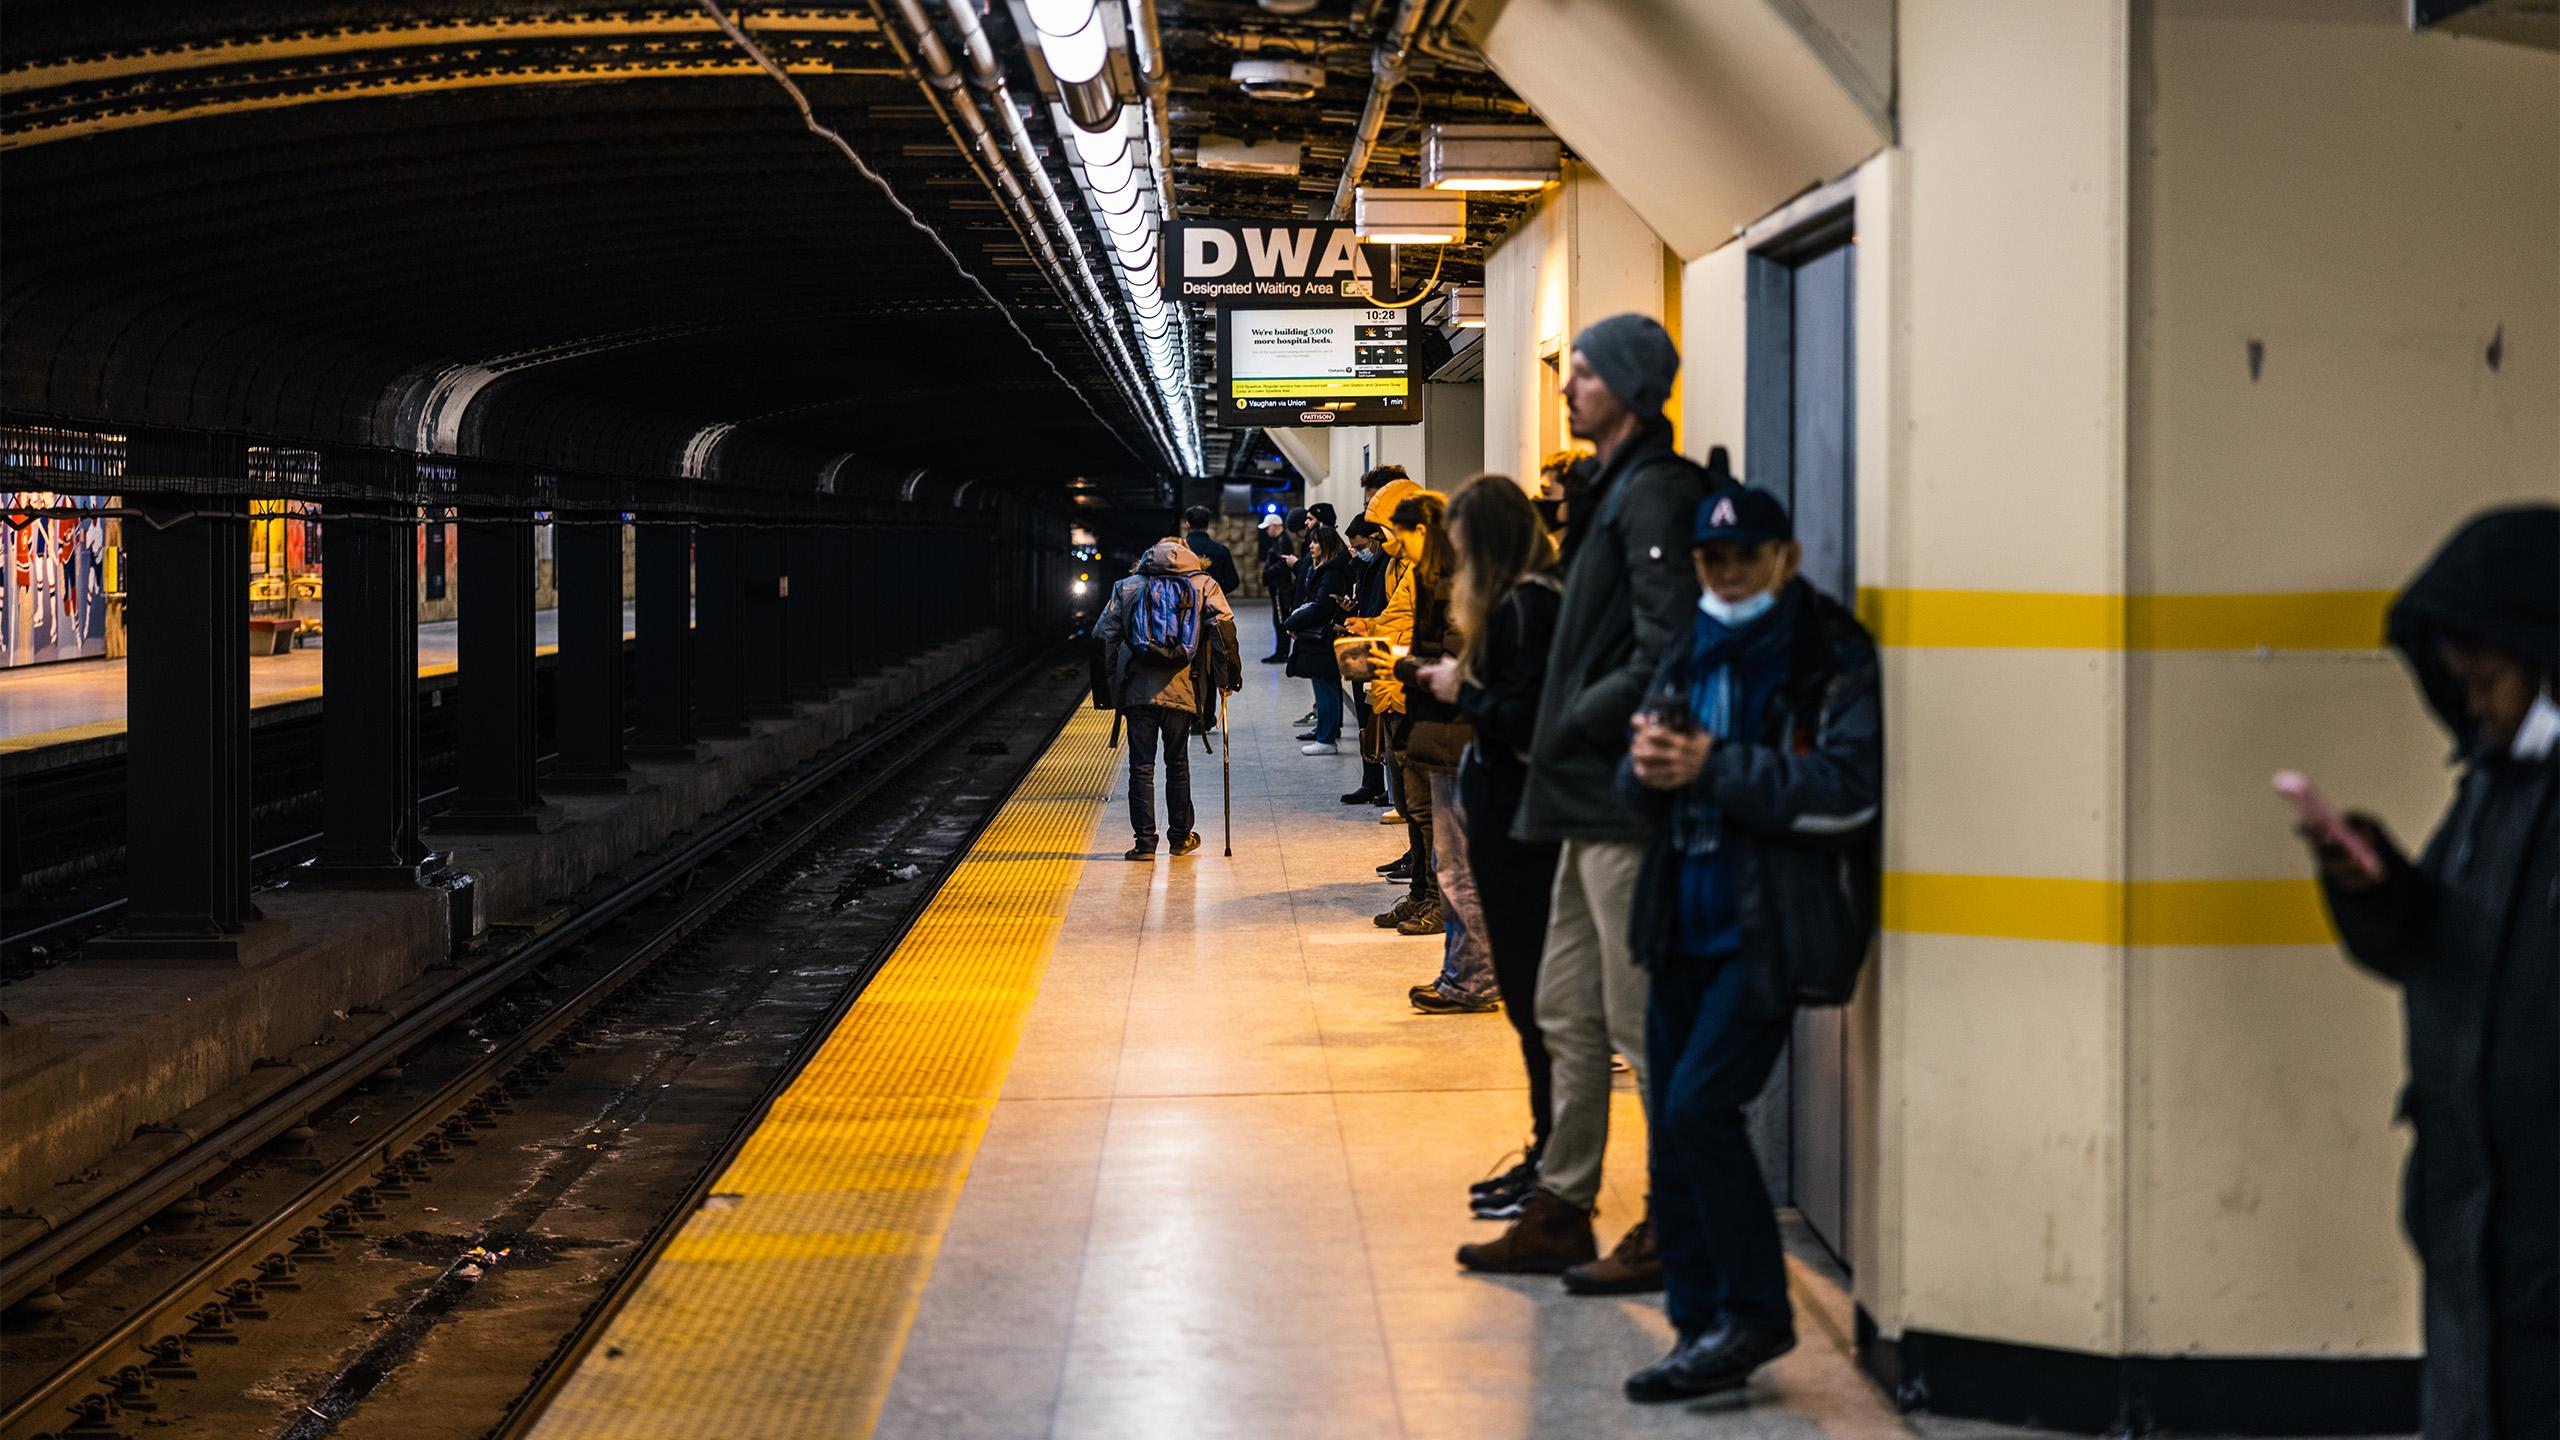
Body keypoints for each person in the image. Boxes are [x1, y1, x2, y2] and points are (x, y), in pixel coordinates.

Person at [1466, 313, 1720, 1287]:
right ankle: (1562, 1209)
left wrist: (1573, 712)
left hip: (1622, 801)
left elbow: (1670, 645)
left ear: (1628, 386)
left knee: (1640, 1018)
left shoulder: (1654, 493)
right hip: (1579, 798)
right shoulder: (1608, 490)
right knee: (1565, 1008)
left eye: (1581, 373)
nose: (1567, 388)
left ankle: (1677, 1220)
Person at [1615, 483, 1881, 1402]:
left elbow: (1848, 791)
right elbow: (1636, 781)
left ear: (1785, 559)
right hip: (1677, 921)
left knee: (1700, 1111)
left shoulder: (1827, 652)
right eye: (1713, 559)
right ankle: (1701, 1329)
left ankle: (1754, 1313)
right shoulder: (1690, 642)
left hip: (1765, 930)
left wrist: (1713, 764)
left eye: (1746, 556)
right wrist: (1644, 768)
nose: (1728, 573)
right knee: (1671, 1128)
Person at [2300, 506, 2557, 1440]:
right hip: (2474, 1222)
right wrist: (2375, 890)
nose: (2472, 704)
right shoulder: (2492, 789)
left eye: (2487, 682)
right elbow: (2443, 951)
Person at [1418, 475, 1565, 1209]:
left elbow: (1528, 715)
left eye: (1462, 546)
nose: (1456, 561)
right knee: (1534, 1009)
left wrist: (1460, 691)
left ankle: (1555, 1171)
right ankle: (1548, 1158)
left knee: (1541, 1009)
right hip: (1511, 821)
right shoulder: (1527, 604)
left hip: (1522, 829)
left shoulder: (1525, 609)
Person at [1383, 489, 1494, 1003]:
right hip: (1443, 732)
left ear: (1423, 532)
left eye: (1400, 536)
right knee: (1454, 864)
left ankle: (1471, 977)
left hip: (1455, 735)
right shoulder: (1445, 581)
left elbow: (1454, 668)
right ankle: (1465, 971)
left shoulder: (1451, 587)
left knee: (1458, 866)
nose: (1397, 547)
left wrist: (1399, 666)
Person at [1091, 538, 1241, 861]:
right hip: (1184, 689)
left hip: (1137, 691)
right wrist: (1227, 680)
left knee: (1141, 766)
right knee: (1177, 762)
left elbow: (1102, 636)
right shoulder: (1205, 585)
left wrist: (1107, 693)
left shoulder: (1127, 586)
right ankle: (1180, 837)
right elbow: (1224, 632)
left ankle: (1144, 844)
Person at [1345, 477, 1432, 925]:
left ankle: (1434, 897)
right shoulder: (1406, 567)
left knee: (1428, 810)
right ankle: (1421, 891)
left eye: (1384, 527)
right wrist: (1370, 627)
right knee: (1413, 805)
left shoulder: (1434, 570)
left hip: (1421, 701)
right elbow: (1397, 618)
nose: (1377, 538)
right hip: (1397, 694)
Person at [1284, 522, 1356, 753]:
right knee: (1325, 686)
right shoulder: (1324, 569)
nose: (1311, 546)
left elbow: (1320, 606)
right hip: (1321, 636)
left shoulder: (1331, 573)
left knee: (1325, 687)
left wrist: (1292, 622)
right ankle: (1325, 733)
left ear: (1326, 545)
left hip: (1323, 638)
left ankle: (1326, 739)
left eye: (1315, 542)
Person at [1343, 517, 1395, 808]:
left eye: (1361, 546)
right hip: (1364, 638)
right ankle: (1371, 780)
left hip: (1380, 642)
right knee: (1365, 717)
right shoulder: (1369, 564)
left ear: (1376, 537)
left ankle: (1387, 786)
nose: (1358, 551)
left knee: (1379, 715)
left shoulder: (1391, 562)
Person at [1181, 505, 1241, 596]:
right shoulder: (1221, 550)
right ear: (1208, 524)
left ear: (1187, 524)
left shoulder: (1178, 549)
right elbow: (1232, 582)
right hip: (1212, 601)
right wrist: (1216, 592)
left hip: (1186, 601)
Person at [1258, 512, 1294, 663]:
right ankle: (1280, 652)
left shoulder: (1282, 541)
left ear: (1275, 526)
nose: (1267, 531)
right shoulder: (1280, 541)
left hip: (1280, 586)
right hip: (1278, 585)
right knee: (1279, 619)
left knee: (1280, 620)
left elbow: (1283, 563)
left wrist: (1268, 572)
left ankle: (1282, 653)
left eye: (1268, 528)